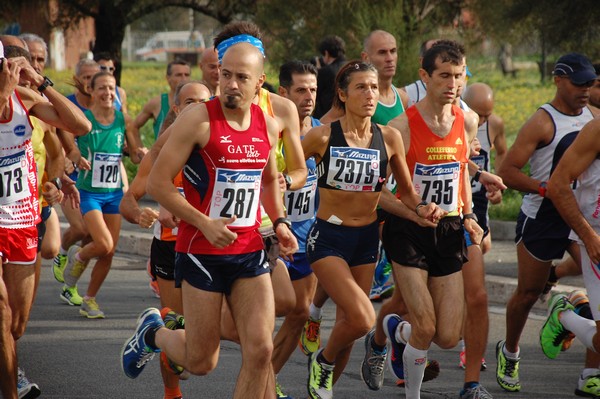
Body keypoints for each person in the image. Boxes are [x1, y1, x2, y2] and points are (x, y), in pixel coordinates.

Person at [120, 41, 298, 399]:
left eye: (241, 77)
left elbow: (266, 181)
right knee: (202, 361)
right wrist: (204, 222)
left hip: (249, 249)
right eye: (225, 74)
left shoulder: (268, 125)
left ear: (259, 82)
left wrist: (280, 222)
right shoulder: (198, 120)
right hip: (201, 249)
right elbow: (158, 182)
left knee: (261, 350)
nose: (231, 83)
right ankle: (153, 332)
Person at [302, 60, 444, 399]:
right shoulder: (322, 136)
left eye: (374, 88)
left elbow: (406, 192)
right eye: (361, 88)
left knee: (349, 326)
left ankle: (324, 387)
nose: (370, 95)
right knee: (363, 318)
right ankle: (322, 360)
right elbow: (284, 165)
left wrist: (421, 208)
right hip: (327, 237)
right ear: (342, 93)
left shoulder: (390, 138)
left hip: (366, 239)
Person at [363, 43, 482, 399]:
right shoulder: (401, 127)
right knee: (426, 326)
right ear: (424, 76)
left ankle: (388, 328)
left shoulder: (468, 121)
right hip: (408, 231)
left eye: (458, 76)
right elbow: (375, 192)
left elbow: (460, 171)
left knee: (447, 335)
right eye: (444, 75)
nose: (453, 84)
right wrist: (414, 209)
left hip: (448, 229)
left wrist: (470, 213)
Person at [495, 53, 598, 395]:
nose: (585, 90)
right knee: (527, 293)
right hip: (542, 215)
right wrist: (545, 187)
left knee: (595, 282)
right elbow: (507, 172)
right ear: (557, 79)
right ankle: (509, 351)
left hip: (578, 214)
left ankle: (589, 370)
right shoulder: (542, 121)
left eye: (589, 83)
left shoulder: (592, 117)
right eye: (578, 83)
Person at [0, 42, 91, 399]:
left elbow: (80, 125)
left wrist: (41, 82)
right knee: (2, 312)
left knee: (16, 326)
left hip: (21, 220)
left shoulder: (25, 96)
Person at [120, 80, 211, 399]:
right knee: (179, 332)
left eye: (203, 101)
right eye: (189, 102)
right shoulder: (164, 147)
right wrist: (141, 215)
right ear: (175, 108)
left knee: (208, 340)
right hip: (172, 247)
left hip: (215, 246)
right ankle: (171, 394)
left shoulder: (220, 141)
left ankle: (156, 335)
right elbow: (129, 199)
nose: (197, 107)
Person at [61, 71, 144, 319]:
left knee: (108, 252)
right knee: (103, 243)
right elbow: (63, 133)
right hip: (89, 194)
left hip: (114, 194)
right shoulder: (83, 120)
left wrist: (141, 153)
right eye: (102, 88)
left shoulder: (124, 120)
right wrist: (73, 154)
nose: (108, 93)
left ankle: (90, 300)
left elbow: (135, 156)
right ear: (91, 90)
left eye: (112, 88)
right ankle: (78, 256)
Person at [539, 108, 600, 399]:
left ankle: (569, 316)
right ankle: (564, 315)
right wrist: (588, 236)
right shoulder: (596, 130)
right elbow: (558, 184)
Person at [271, 60, 320, 398]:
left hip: (308, 239)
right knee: (272, 308)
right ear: (283, 92)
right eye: (301, 90)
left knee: (301, 311)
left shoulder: (322, 131)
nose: (308, 96)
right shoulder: (269, 129)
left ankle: (266, 376)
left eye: (313, 90)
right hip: (272, 235)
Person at [133, 59, 191, 139]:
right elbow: (133, 127)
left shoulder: (197, 102)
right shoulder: (157, 103)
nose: (184, 78)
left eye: (187, 75)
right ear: (168, 78)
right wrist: (137, 149)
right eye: (178, 75)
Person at [313, 35, 346, 119]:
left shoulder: (325, 72)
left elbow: (315, 95)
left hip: (326, 119)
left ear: (326, 53)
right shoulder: (352, 67)